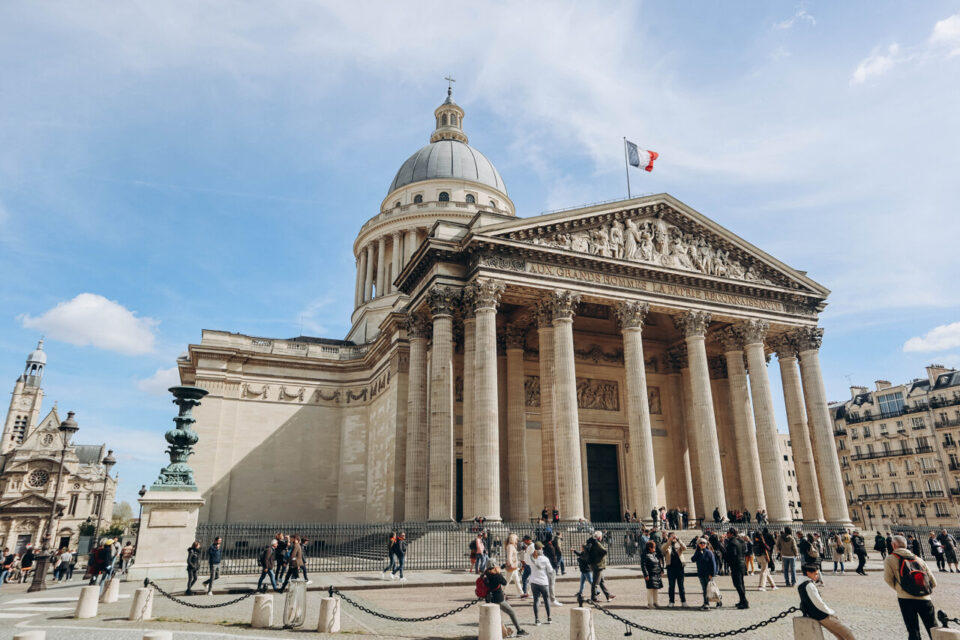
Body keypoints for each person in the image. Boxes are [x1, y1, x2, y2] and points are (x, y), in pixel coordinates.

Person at [884, 534, 938, 640]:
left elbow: (888, 579)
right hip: (925, 599)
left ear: (894, 545)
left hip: (905, 598)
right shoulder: (918, 559)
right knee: (933, 628)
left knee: (913, 629)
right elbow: (933, 582)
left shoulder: (890, 559)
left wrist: (901, 589)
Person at [798, 563, 856, 640]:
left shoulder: (801, 584)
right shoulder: (809, 585)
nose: (817, 576)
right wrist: (830, 612)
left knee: (839, 635)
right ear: (808, 573)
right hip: (822, 615)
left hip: (815, 614)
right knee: (847, 632)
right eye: (815, 574)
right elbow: (818, 603)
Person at [482, 564, 529, 636]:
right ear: (494, 567)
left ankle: (500, 631)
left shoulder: (485, 574)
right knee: (512, 612)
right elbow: (504, 582)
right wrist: (499, 572)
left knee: (496, 616)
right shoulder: (496, 575)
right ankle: (519, 630)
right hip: (498, 599)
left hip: (489, 598)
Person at [529, 542, 554, 626]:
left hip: (533, 581)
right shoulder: (545, 559)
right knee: (546, 599)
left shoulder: (531, 558)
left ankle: (537, 619)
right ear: (541, 549)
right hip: (543, 581)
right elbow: (550, 570)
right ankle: (549, 617)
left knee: (536, 600)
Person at [586, 530, 614, 602]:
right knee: (595, 583)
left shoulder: (593, 542)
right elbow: (604, 551)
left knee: (601, 582)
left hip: (595, 564)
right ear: (599, 537)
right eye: (601, 536)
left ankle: (608, 595)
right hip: (598, 565)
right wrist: (601, 556)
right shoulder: (597, 543)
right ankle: (593, 597)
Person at [724, 528, 748, 609]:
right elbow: (744, 551)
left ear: (731, 534)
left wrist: (725, 554)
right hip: (742, 564)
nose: (727, 534)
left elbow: (732, 554)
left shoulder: (732, 542)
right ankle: (742, 600)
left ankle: (744, 602)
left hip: (735, 565)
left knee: (737, 584)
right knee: (741, 583)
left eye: (727, 533)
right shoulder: (741, 541)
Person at [691, 538, 719, 610]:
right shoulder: (698, 552)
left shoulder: (709, 552)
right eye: (701, 543)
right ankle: (708, 602)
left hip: (708, 574)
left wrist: (712, 574)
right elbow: (693, 559)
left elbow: (713, 564)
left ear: (706, 544)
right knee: (705, 589)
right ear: (698, 545)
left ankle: (708, 603)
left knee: (710, 589)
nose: (702, 544)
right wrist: (697, 552)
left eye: (704, 543)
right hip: (701, 574)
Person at [661, 532, 687, 607]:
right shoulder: (666, 545)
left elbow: (685, 548)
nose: (673, 538)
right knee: (671, 586)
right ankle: (671, 601)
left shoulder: (679, 545)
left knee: (681, 586)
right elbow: (663, 549)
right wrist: (669, 541)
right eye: (672, 537)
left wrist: (678, 540)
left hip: (680, 568)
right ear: (669, 537)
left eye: (674, 536)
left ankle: (683, 601)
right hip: (671, 568)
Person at [641, 540, 662, 609]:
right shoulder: (645, 554)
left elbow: (658, 562)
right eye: (654, 547)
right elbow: (643, 565)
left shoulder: (654, 554)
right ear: (650, 548)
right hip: (650, 573)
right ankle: (650, 603)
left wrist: (660, 570)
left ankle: (655, 602)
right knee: (650, 589)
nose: (655, 548)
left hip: (656, 573)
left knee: (655, 588)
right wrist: (646, 574)